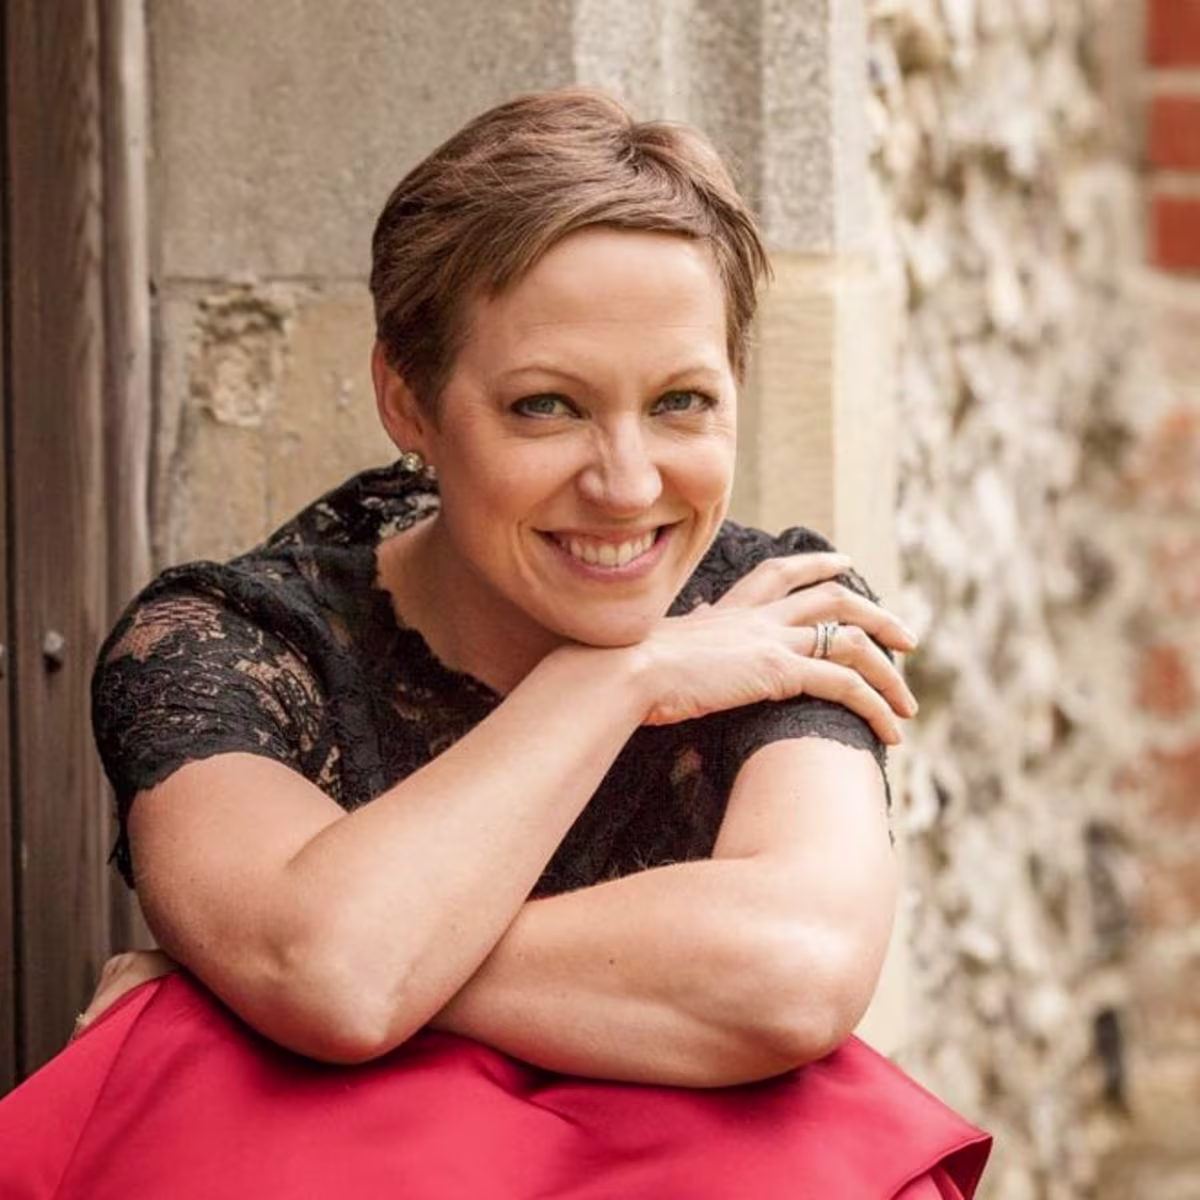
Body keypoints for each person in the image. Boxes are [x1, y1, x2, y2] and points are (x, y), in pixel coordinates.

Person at [0, 87, 989, 1198]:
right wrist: (628, 674)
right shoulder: (224, 643)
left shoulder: (781, 609)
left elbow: (792, 976)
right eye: (545, 408)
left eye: (680, 401)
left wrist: (259, 982)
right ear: (408, 400)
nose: (627, 484)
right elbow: (331, 970)